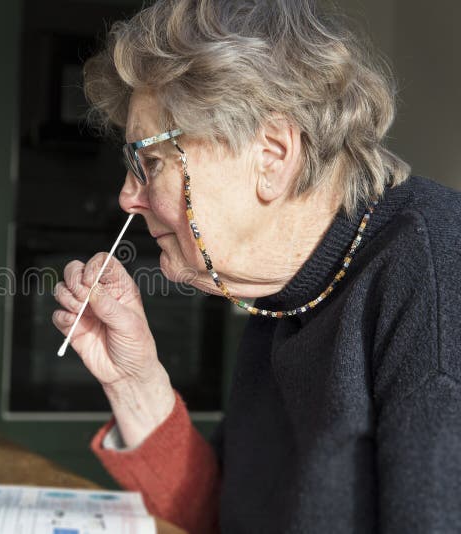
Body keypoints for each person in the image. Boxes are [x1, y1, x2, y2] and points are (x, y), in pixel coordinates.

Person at [51, 0, 461, 532]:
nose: (128, 196)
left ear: (271, 154)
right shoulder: (285, 290)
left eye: (149, 161)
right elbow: (225, 515)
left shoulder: (437, 280)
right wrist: (135, 380)